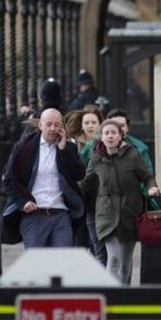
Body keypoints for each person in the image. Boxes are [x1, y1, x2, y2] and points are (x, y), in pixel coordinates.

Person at [79, 119, 158, 285]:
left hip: (129, 212)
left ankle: (125, 294)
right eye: (106, 133)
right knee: (114, 257)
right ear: (101, 137)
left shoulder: (133, 155)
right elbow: (86, 182)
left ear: (121, 136)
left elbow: (147, 177)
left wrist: (152, 188)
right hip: (106, 214)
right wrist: (68, 191)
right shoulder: (96, 159)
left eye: (113, 133)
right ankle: (112, 294)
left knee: (125, 260)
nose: (110, 136)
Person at [1, 108, 86, 248]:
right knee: (37, 265)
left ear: (62, 127)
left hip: (61, 214)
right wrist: (22, 202)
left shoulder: (68, 148)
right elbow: (8, 180)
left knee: (62, 263)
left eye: (57, 124)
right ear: (40, 125)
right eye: (49, 124)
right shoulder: (24, 147)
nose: (53, 128)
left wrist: (63, 150)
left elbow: (79, 174)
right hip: (34, 215)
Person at [64, 105, 106, 262]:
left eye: (94, 122)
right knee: (80, 245)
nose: (90, 126)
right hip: (81, 201)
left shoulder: (106, 141)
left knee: (97, 246)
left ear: (100, 123)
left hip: (98, 201)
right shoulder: (74, 144)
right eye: (87, 122)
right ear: (81, 125)